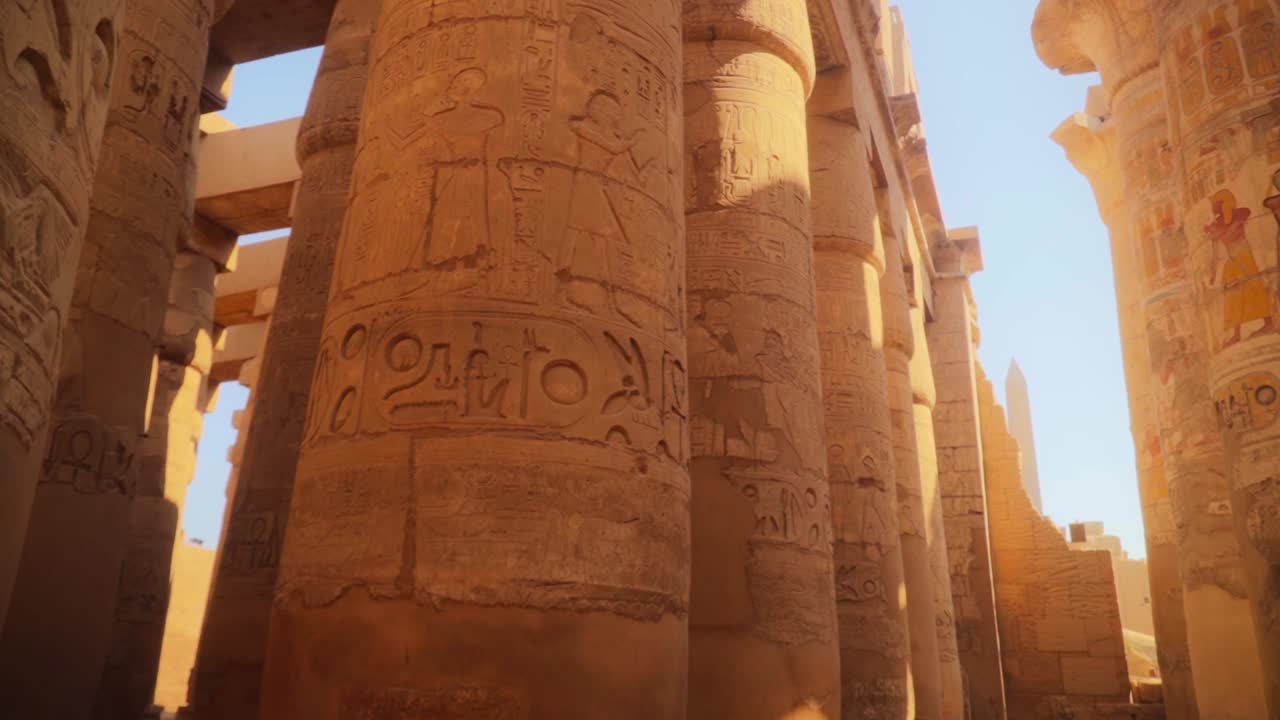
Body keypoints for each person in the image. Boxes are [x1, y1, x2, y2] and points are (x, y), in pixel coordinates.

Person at [1206, 188, 1273, 346]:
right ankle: (1236, 333)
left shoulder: (1238, 215)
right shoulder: (1218, 225)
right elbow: (1216, 251)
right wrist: (1213, 273)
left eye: (1217, 205)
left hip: (1244, 258)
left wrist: (1221, 232)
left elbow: (1232, 231)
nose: (1215, 210)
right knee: (1233, 298)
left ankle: (1269, 322)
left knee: (1255, 289)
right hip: (1233, 263)